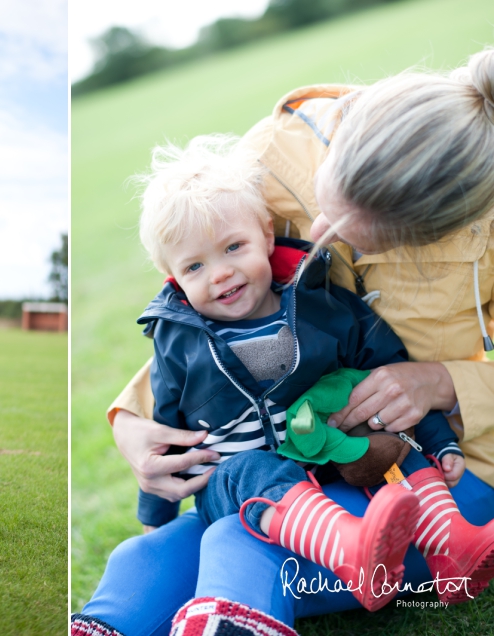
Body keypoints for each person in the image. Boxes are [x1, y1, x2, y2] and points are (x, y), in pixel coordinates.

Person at [73, 49, 494, 636]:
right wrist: (132, 422)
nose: (321, 237)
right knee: (150, 555)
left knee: (238, 541)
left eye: (354, 235)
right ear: (343, 135)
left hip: (434, 469)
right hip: (293, 463)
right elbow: (214, 326)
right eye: (325, 207)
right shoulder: (269, 157)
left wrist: (444, 381)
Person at [129, 134, 482, 612]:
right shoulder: (179, 344)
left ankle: (451, 543)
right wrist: (157, 511)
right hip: (239, 491)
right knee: (249, 468)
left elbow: (393, 374)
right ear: (172, 277)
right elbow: (165, 431)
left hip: (323, 460)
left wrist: (439, 441)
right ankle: (349, 550)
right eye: (195, 266)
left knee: (380, 428)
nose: (220, 273)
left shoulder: (320, 305)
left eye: (234, 247)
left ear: (267, 236)